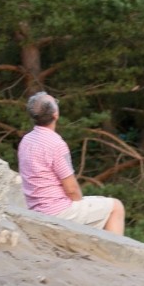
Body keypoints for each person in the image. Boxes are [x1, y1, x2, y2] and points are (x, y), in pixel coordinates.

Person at [17, 92, 126, 235]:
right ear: (55, 114)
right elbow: (72, 189)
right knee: (116, 206)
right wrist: (79, 203)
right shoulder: (56, 144)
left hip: (35, 209)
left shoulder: (26, 141)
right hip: (58, 212)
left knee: (97, 204)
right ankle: (115, 255)